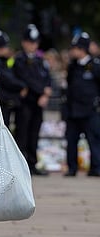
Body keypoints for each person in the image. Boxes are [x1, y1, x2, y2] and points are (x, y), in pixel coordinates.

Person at [13, 24, 52, 176]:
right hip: (25, 103)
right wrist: (43, 91)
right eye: (30, 42)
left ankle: (32, 164)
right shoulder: (19, 59)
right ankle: (22, 165)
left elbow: (46, 77)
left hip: (38, 103)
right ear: (24, 42)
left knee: (34, 134)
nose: (33, 45)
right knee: (22, 134)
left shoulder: (40, 60)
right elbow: (26, 79)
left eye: (35, 42)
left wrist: (46, 93)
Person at [64, 32, 100, 177]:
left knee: (94, 140)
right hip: (73, 110)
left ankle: (96, 167)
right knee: (71, 140)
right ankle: (72, 167)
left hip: (90, 110)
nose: (72, 51)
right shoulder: (73, 66)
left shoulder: (95, 65)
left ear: (82, 49)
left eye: (75, 48)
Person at [0, 29, 27, 132]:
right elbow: (8, 81)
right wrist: (22, 86)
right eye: (5, 47)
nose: (7, 49)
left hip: (5, 105)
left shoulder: (3, 62)